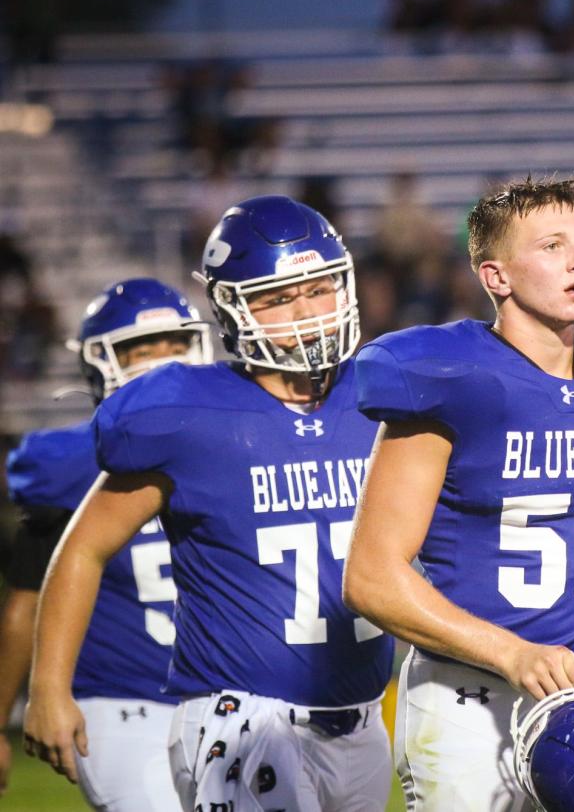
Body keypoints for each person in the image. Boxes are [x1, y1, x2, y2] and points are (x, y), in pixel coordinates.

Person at [23, 196, 395, 811]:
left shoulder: (381, 393)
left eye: (320, 288)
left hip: (358, 720)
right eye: (278, 298)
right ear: (232, 308)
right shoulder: (188, 412)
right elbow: (83, 548)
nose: (306, 311)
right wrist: (49, 687)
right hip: (245, 715)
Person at [343, 176, 574, 810]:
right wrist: (511, 652)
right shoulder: (449, 375)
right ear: (495, 277)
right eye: (552, 246)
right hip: (467, 698)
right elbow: (371, 577)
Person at [0, 278, 211, 807]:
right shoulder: (69, 464)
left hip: (223, 699)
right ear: (100, 361)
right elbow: (26, 601)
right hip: (123, 705)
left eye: (175, 344)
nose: (162, 362)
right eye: (140, 349)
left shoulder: (234, 442)